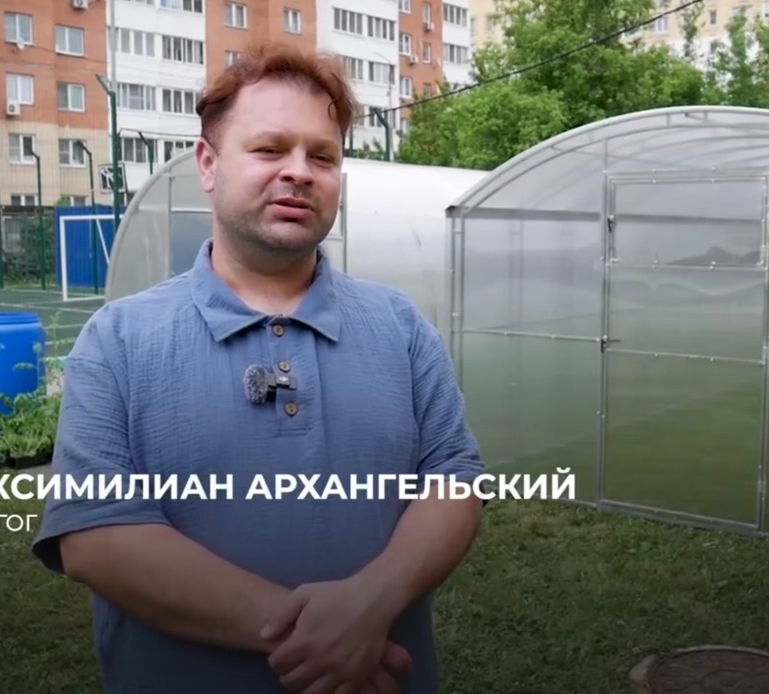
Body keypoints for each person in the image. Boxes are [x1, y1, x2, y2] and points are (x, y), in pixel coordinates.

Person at [30, 39, 486, 694]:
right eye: (270, 149)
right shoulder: (120, 340)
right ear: (208, 164)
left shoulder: (402, 328)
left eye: (322, 156)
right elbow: (97, 538)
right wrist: (329, 637)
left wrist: (373, 600)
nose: (299, 172)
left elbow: (454, 483)